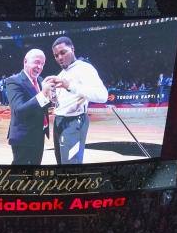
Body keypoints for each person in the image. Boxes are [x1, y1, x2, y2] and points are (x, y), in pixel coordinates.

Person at [46, 36, 108, 165]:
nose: (60, 58)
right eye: (56, 55)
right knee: (62, 163)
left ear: (72, 49)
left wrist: (69, 86)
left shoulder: (84, 68)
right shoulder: (62, 74)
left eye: (63, 52)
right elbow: (63, 101)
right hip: (59, 121)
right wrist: (51, 96)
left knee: (71, 166)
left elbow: (103, 96)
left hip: (74, 122)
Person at [6, 48, 54, 165]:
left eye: (42, 64)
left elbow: (41, 105)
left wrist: (52, 99)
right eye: (37, 62)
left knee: (35, 172)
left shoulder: (40, 80)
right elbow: (19, 111)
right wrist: (43, 95)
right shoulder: (13, 81)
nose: (40, 67)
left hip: (39, 134)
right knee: (20, 176)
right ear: (25, 61)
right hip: (23, 138)